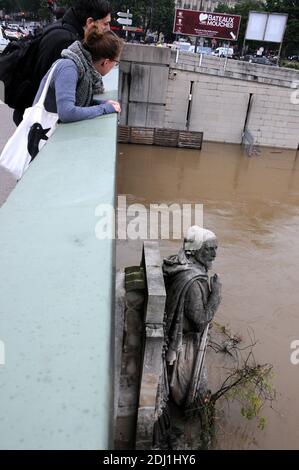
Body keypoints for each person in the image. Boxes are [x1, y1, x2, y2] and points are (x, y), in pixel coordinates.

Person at [13, 0, 112, 125]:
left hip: (31, 111)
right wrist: (103, 108)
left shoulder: (63, 29)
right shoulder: (66, 43)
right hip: (39, 120)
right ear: (90, 22)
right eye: (106, 23)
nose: (108, 29)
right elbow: (66, 110)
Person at [162, 226, 222, 409]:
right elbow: (200, 322)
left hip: (177, 332)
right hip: (185, 344)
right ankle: (186, 410)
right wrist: (216, 295)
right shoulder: (194, 282)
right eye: (209, 249)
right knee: (190, 392)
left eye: (215, 249)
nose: (214, 254)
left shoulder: (177, 263)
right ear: (195, 250)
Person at [33, 29, 122, 123]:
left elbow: (79, 102)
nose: (114, 66)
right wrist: (103, 109)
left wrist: (103, 103)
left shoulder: (84, 68)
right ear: (106, 62)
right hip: (45, 133)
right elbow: (67, 113)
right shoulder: (69, 68)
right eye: (116, 63)